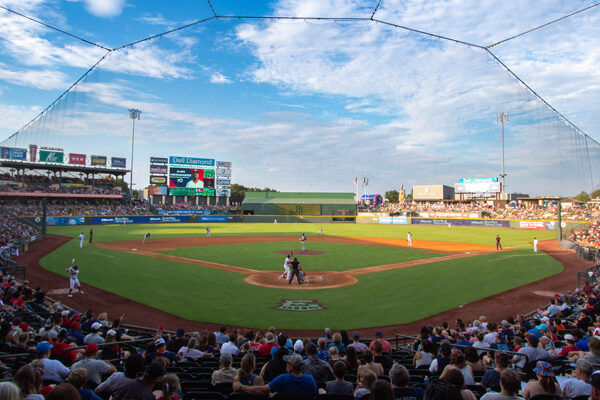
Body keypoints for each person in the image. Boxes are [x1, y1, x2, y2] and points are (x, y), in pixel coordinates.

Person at [233, 353, 318, 396]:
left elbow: (262, 390)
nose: (286, 364)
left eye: (288, 363)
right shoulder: (310, 379)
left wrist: (241, 387)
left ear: (291, 367)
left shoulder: (282, 378)